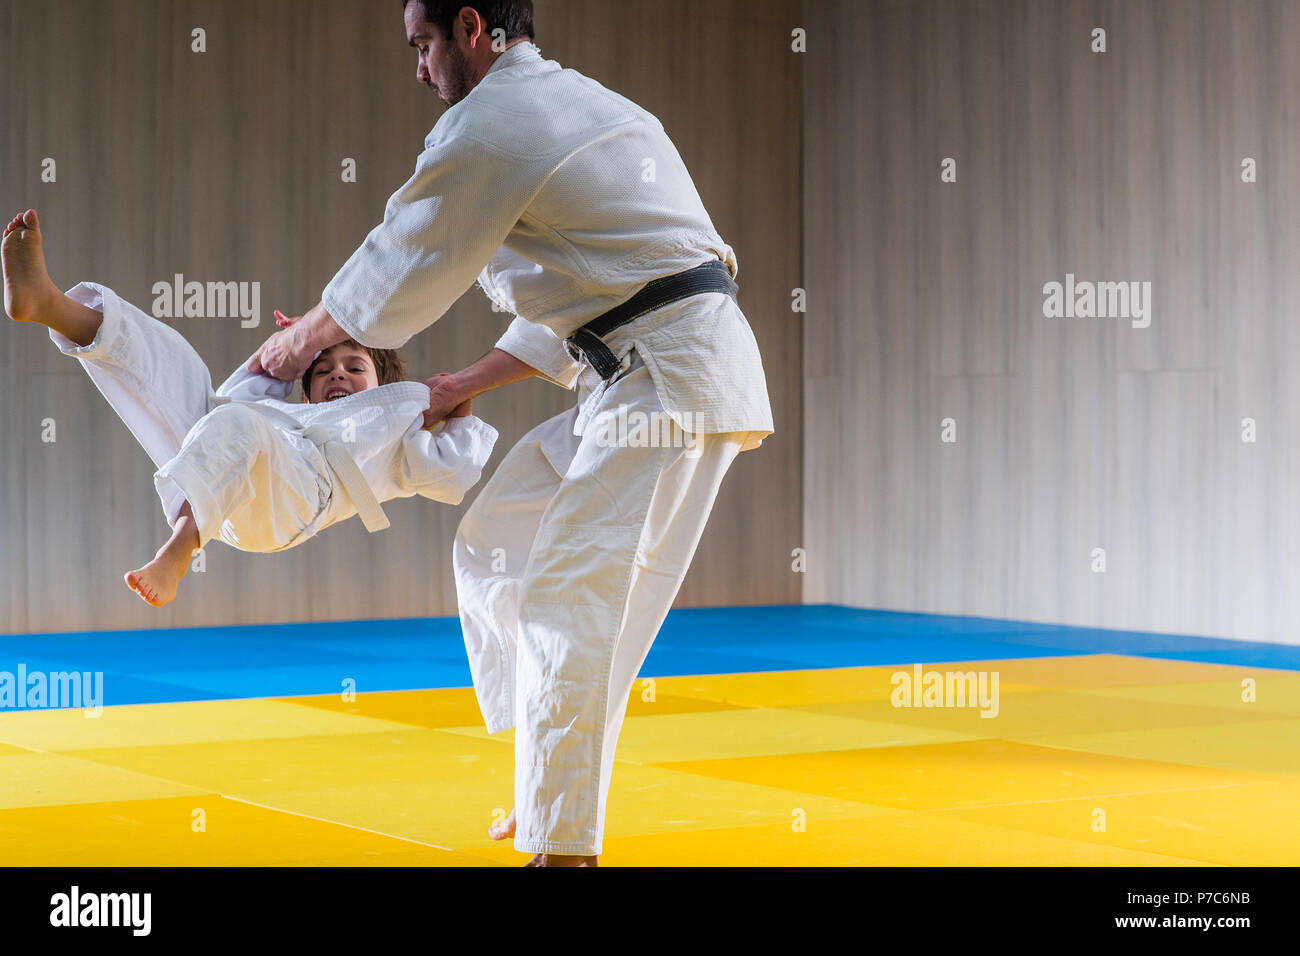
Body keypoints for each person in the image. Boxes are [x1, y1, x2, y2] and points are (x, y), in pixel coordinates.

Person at [248, 1, 774, 866]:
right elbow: (600, 289)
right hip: (636, 370)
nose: (418, 68)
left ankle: (561, 846)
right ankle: (547, 789)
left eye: (423, 44)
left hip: (667, 379)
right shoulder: (581, 108)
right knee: (498, 541)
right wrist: (461, 382)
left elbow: (404, 255)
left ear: (470, 27)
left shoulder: (498, 118)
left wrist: (300, 339)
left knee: (574, 601)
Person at [2, 209, 498, 607]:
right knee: (173, 362)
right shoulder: (288, 416)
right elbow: (252, 386)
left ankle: (177, 552)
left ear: (383, 383)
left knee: (236, 421)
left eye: (354, 367)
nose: (337, 375)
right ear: (307, 394)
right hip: (234, 462)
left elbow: (454, 472)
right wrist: (301, 345)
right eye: (323, 372)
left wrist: (459, 401)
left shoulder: (395, 433)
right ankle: (50, 306)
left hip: (296, 502)